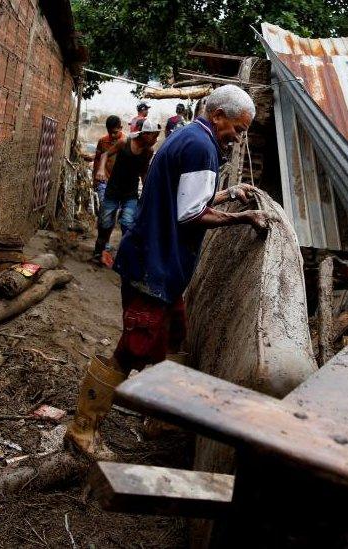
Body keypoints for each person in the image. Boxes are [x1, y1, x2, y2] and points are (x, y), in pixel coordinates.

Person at [66, 85, 269, 459]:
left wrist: (228, 193)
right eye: (238, 129)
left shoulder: (189, 137)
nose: (239, 138)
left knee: (175, 336)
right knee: (132, 348)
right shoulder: (201, 147)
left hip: (159, 260)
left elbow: (184, 198)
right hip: (154, 265)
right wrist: (242, 218)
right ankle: (83, 428)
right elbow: (191, 214)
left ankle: (160, 416)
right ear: (218, 115)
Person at [93, 119, 160, 267]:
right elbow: (105, 155)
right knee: (105, 222)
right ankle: (99, 252)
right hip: (113, 189)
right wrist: (100, 170)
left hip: (130, 193)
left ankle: (122, 258)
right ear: (145, 134)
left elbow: (143, 172)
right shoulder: (124, 143)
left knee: (128, 224)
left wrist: (148, 190)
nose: (156, 140)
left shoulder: (148, 152)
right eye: (154, 136)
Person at [91, 115, 124, 226]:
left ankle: (105, 233)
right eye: (110, 133)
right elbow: (97, 159)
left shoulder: (126, 142)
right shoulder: (102, 141)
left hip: (119, 183)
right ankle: (102, 234)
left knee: (114, 210)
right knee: (104, 207)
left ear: (121, 128)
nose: (113, 136)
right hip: (104, 181)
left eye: (115, 132)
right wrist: (94, 178)